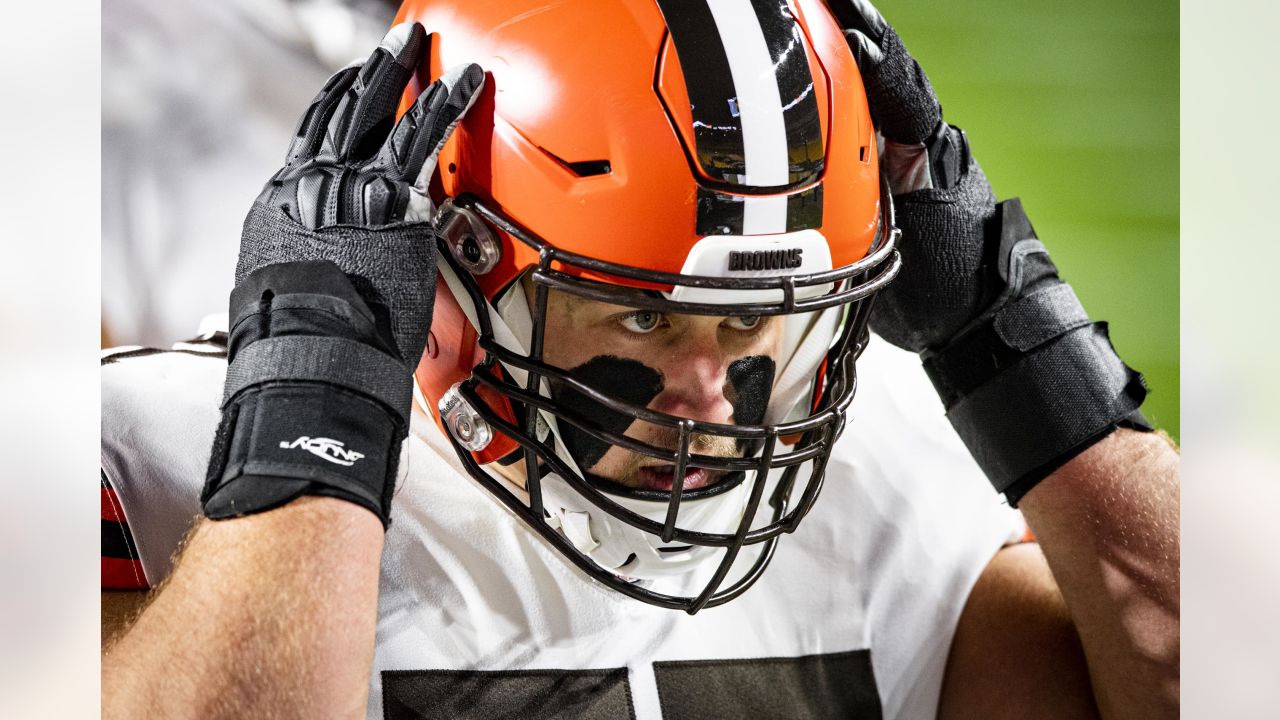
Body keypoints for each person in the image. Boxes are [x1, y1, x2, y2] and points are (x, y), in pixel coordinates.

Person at [101, 1, 1179, 718]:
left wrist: (1023, 353)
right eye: (644, 322)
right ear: (444, 260)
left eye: (754, 320)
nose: (713, 402)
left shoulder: (881, 481)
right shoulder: (146, 457)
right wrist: (312, 426)